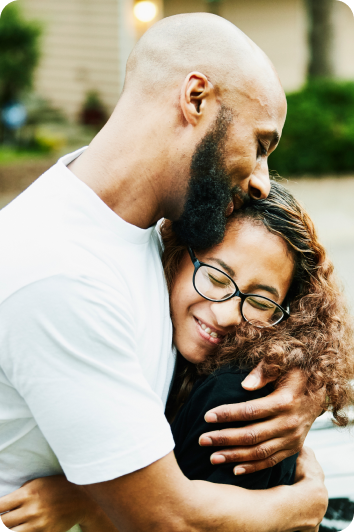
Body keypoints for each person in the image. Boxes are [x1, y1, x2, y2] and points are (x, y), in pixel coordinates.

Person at [0, 13, 327, 532]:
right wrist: (305, 505)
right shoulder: (62, 271)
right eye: (261, 144)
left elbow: (290, 286)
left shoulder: (138, 226)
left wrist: (306, 385)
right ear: (196, 98)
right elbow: (170, 520)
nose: (263, 181)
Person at [1, 183, 344, 531]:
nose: (227, 315)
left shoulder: (239, 400)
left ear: (290, 315)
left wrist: (89, 504)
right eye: (215, 276)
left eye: (260, 302)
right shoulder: (148, 331)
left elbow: (177, 522)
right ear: (179, 253)